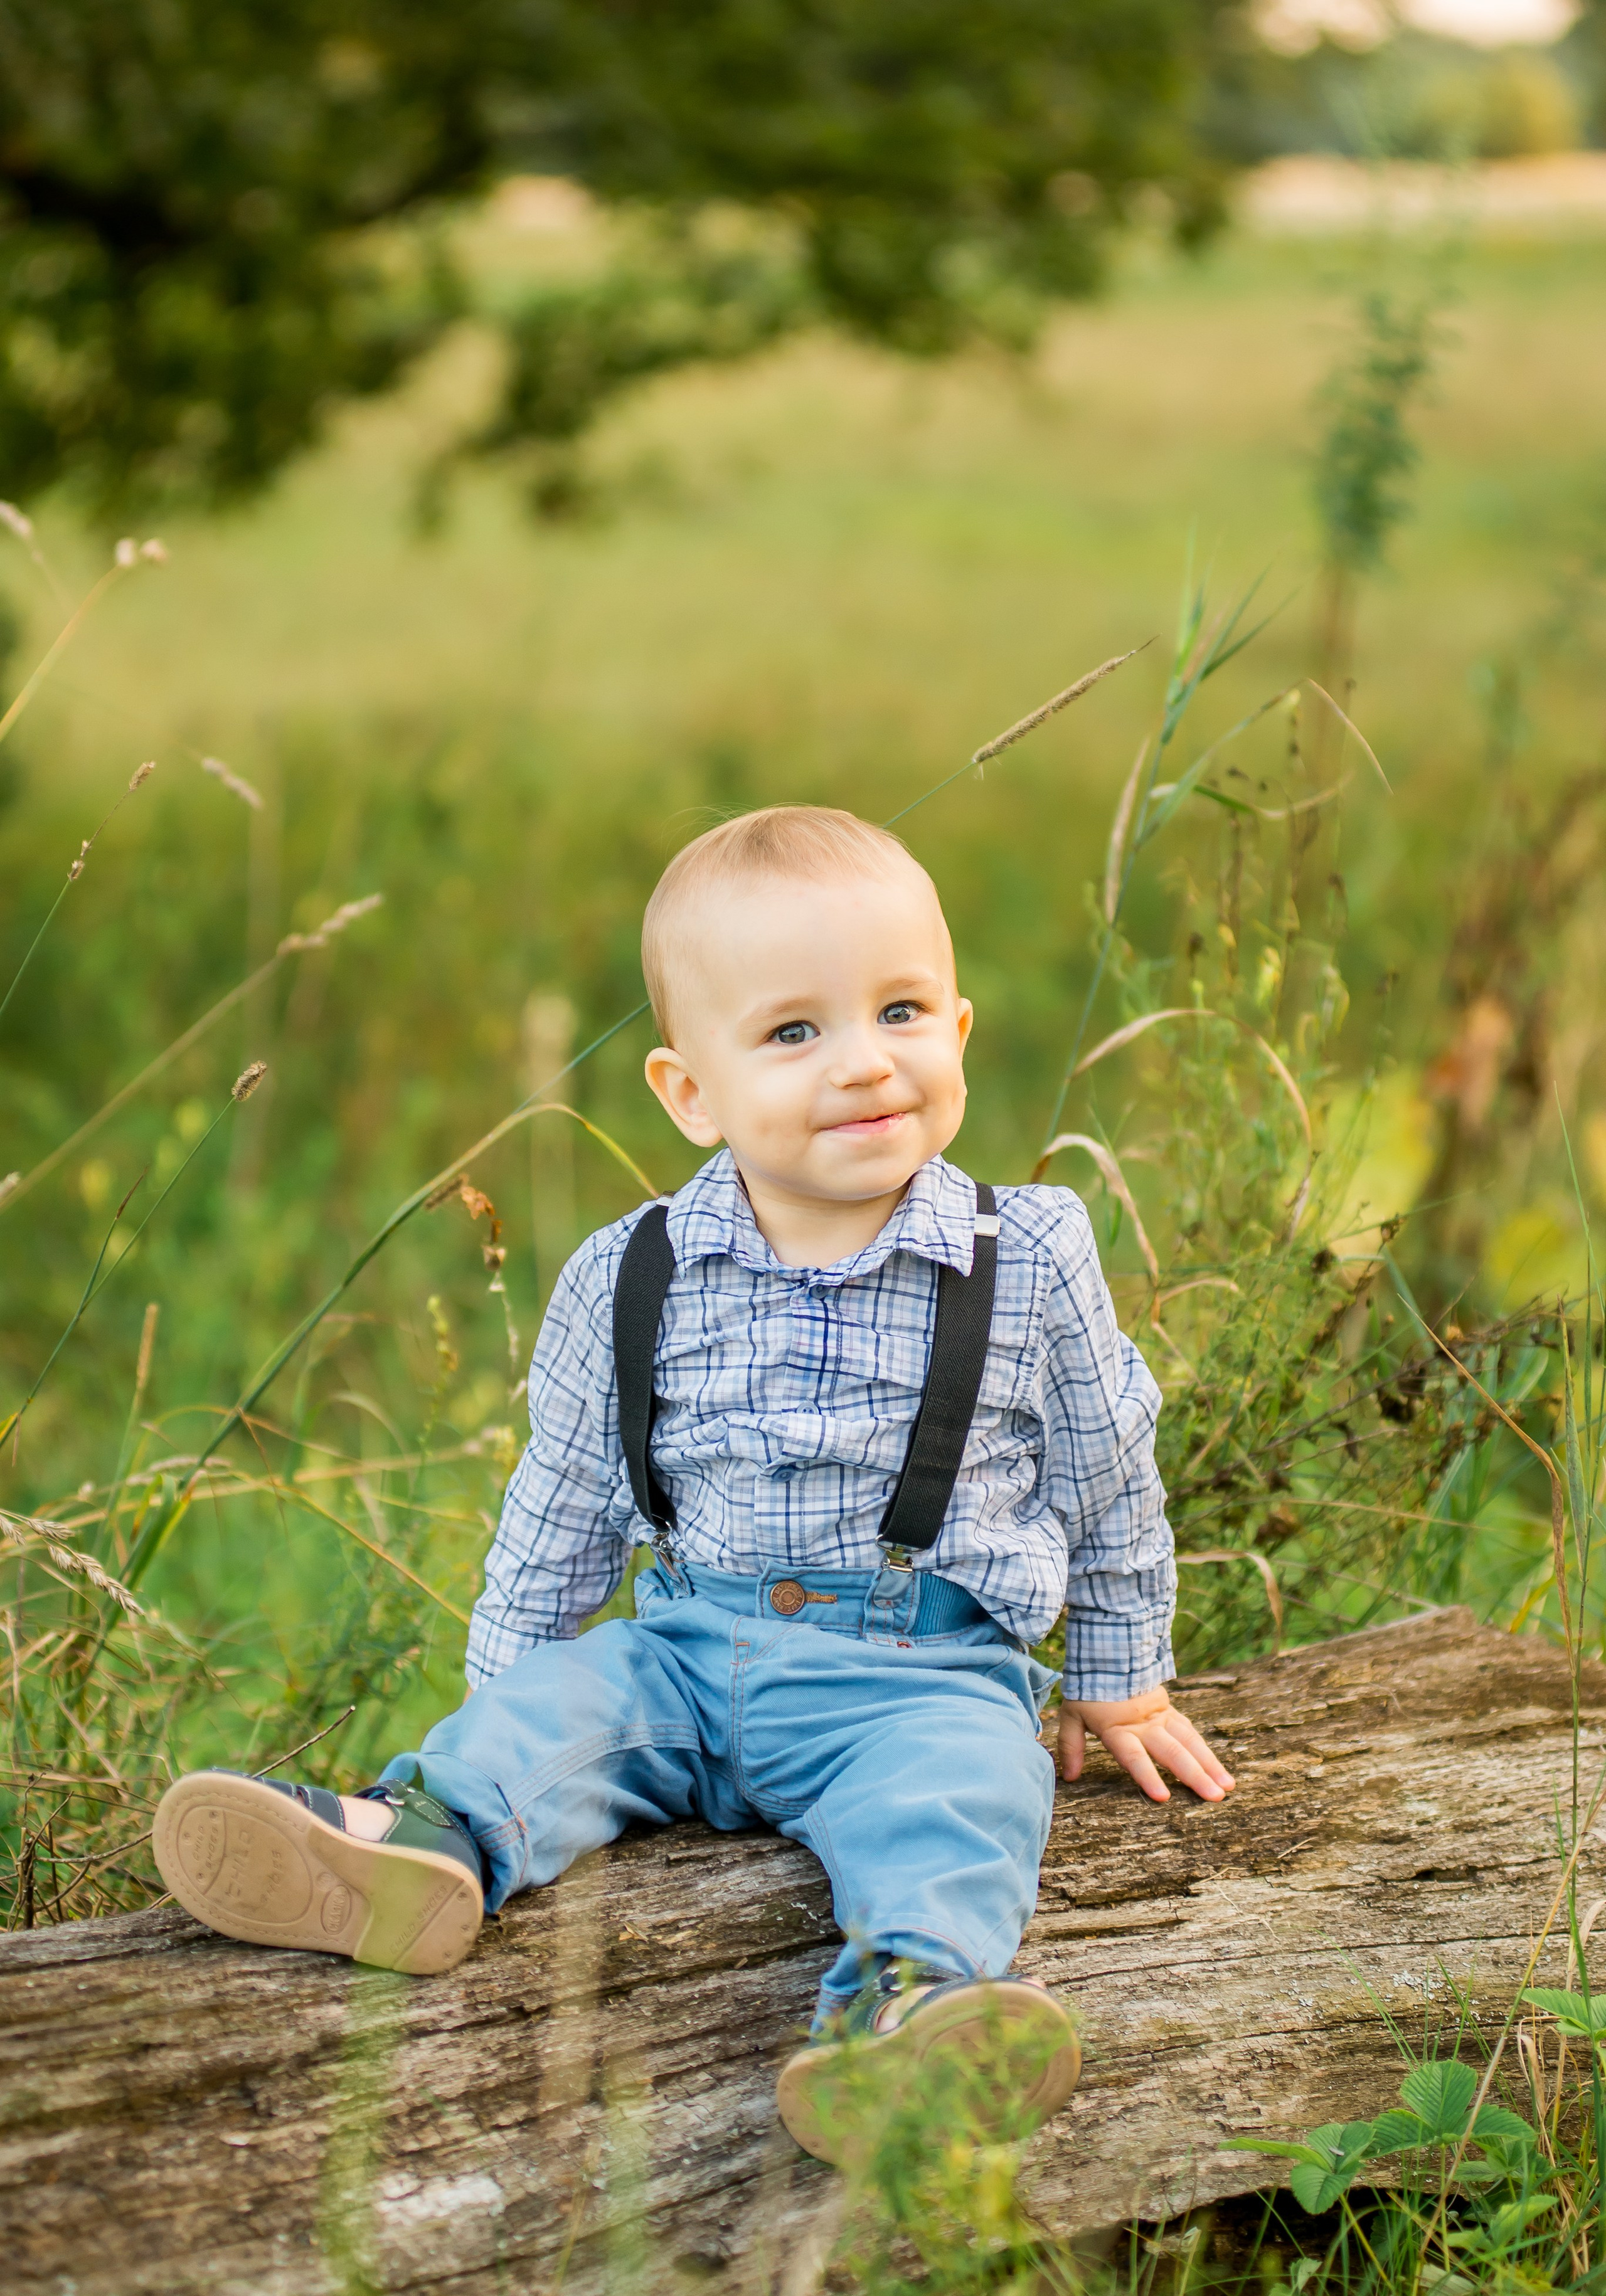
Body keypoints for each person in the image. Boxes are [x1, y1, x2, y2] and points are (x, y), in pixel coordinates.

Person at [153, 806, 1233, 2164]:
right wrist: (512, 1686)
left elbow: (1103, 1471)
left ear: (957, 1032)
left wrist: (1119, 1673)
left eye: (899, 1010)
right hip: (679, 1651)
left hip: (916, 1676)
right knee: (551, 1713)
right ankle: (412, 1839)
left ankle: (905, 2007)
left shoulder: (1028, 1255)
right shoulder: (629, 1269)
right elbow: (562, 1502)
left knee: (963, 1794)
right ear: (688, 1093)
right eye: (793, 1032)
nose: (861, 1063)